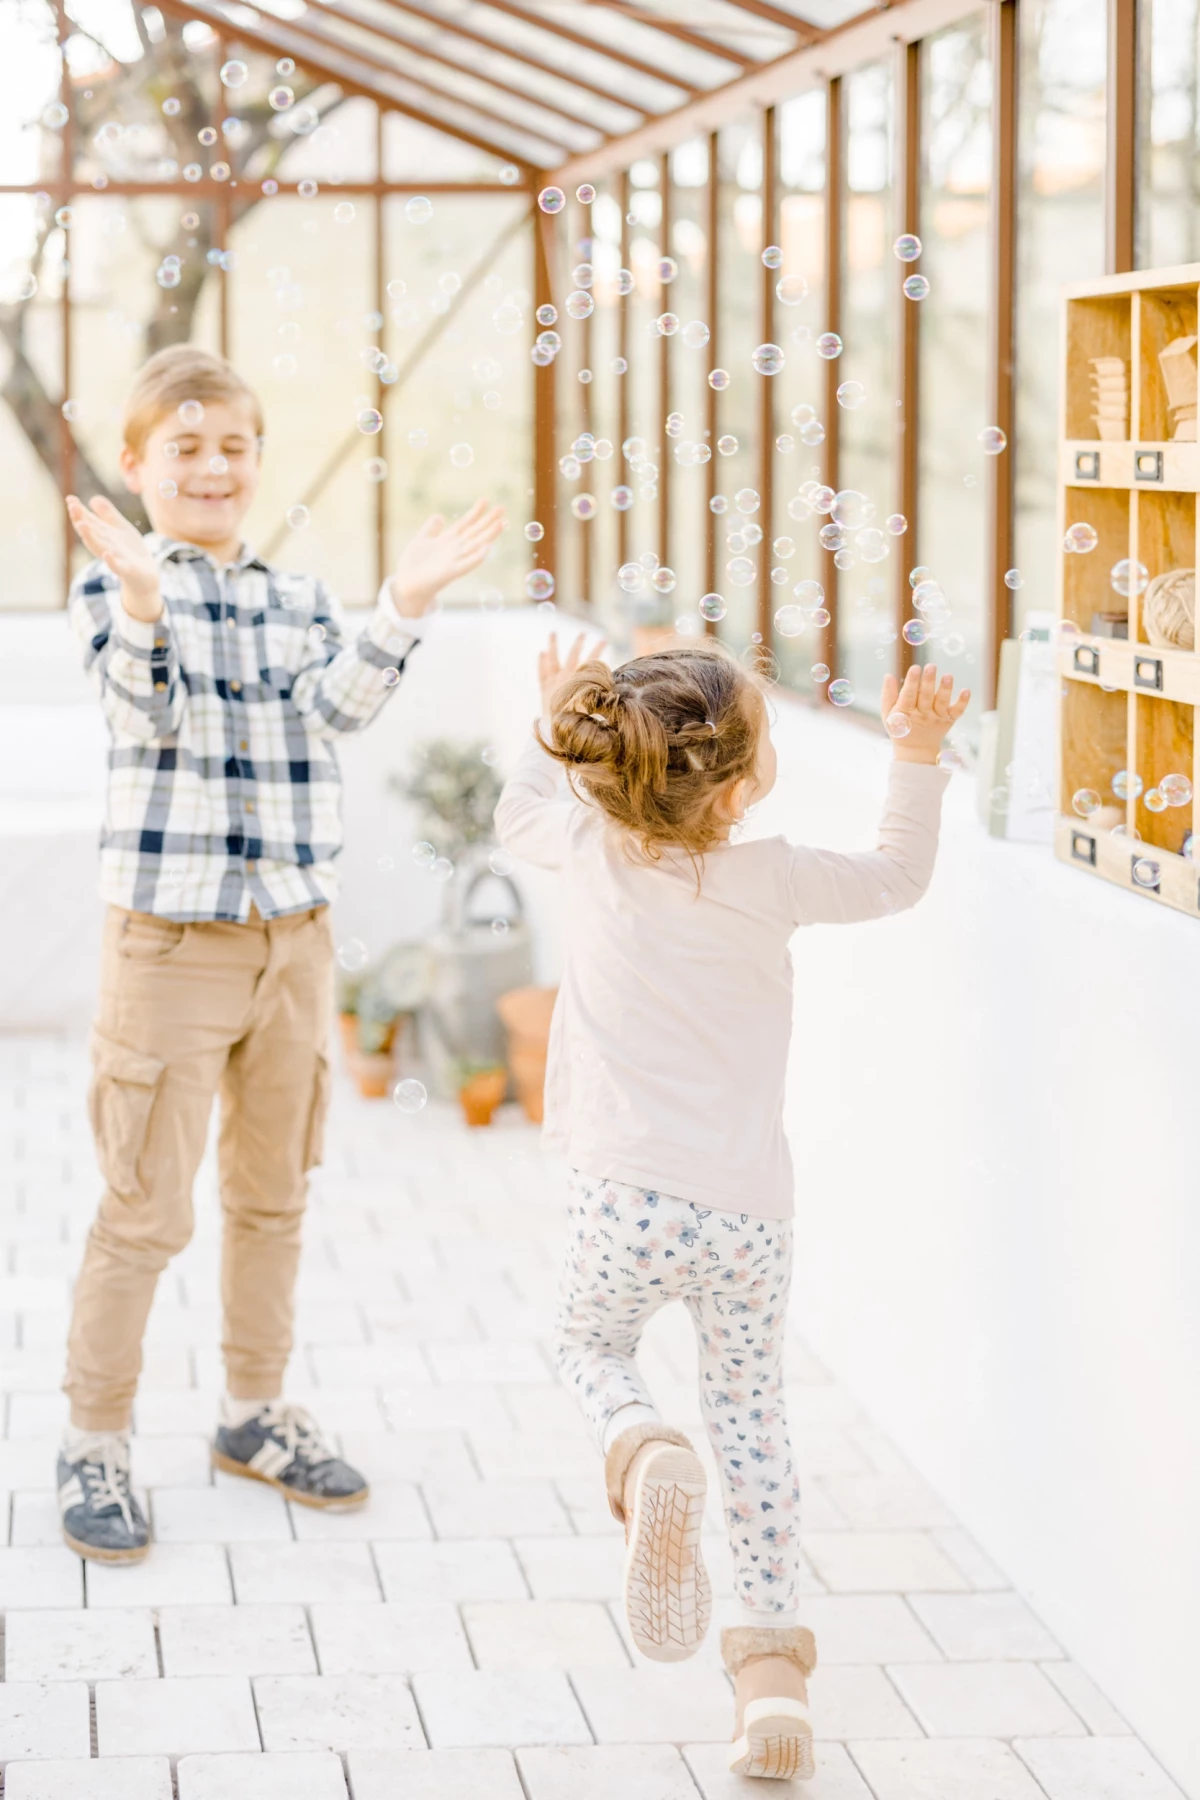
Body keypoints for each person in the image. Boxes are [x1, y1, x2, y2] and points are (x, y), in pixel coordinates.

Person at [495, 633, 967, 1780]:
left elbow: (518, 806)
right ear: (746, 785)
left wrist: (549, 706)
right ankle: (769, 1686)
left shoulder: (585, 843)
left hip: (623, 1199)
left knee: (588, 1344)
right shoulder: (779, 874)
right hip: (749, 1212)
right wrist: (913, 752)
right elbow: (899, 876)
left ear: (607, 764)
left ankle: (638, 1442)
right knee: (752, 1425)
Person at [61, 344, 504, 1563]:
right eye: (186, 446)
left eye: (234, 445)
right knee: (144, 1208)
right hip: (169, 944)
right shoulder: (113, 585)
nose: (214, 466)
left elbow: (339, 713)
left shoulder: (299, 597)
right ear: (140, 463)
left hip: (293, 943)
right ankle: (95, 1441)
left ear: (257, 459)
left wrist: (400, 607)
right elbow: (142, 712)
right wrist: (149, 602)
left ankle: (251, 1418)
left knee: (273, 1195)